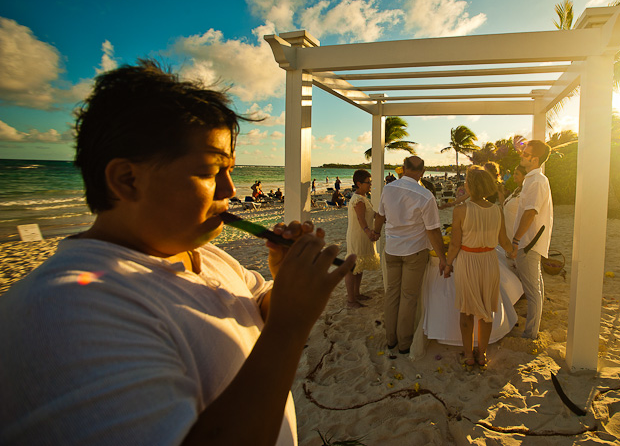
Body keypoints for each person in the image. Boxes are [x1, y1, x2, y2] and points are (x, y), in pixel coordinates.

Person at [0, 60, 355, 446]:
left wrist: (285, 288)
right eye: (210, 172)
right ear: (127, 180)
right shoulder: (65, 310)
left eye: (230, 171)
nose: (229, 190)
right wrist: (291, 323)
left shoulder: (202, 254)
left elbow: (256, 311)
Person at [373, 156, 447, 354]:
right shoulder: (425, 196)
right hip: (414, 251)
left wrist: (375, 232)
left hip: (392, 248)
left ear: (404, 169)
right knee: (408, 297)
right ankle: (404, 343)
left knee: (392, 293)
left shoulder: (388, 189)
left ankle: (391, 339)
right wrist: (443, 258)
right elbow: (433, 230)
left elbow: (380, 215)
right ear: (422, 172)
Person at [445, 167, 513, 367]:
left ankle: (468, 354)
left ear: (471, 186)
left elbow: (455, 244)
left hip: (467, 260)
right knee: (486, 310)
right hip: (489, 261)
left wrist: (448, 263)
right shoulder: (497, 210)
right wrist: (513, 250)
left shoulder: (461, 210)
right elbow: (504, 241)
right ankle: (482, 354)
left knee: (466, 310)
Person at [509, 140, 553, 339]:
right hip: (530, 241)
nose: (522, 155)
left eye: (525, 154)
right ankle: (532, 329)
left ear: (535, 159)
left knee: (532, 290)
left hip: (529, 242)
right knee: (536, 286)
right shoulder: (533, 179)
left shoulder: (536, 181)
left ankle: (530, 333)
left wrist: (516, 240)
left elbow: (530, 212)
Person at [345, 169, 380, 308]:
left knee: (360, 266)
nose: (370, 185)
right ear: (359, 184)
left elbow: (371, 214)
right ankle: (351, 300)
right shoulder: (358, 200)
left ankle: (356, 293)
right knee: (353, 267)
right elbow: (361, 218)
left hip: (362, 235)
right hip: (358, 235)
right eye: (368, 182)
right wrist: (368, 231)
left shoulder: (364, 198)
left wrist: (381, 217)